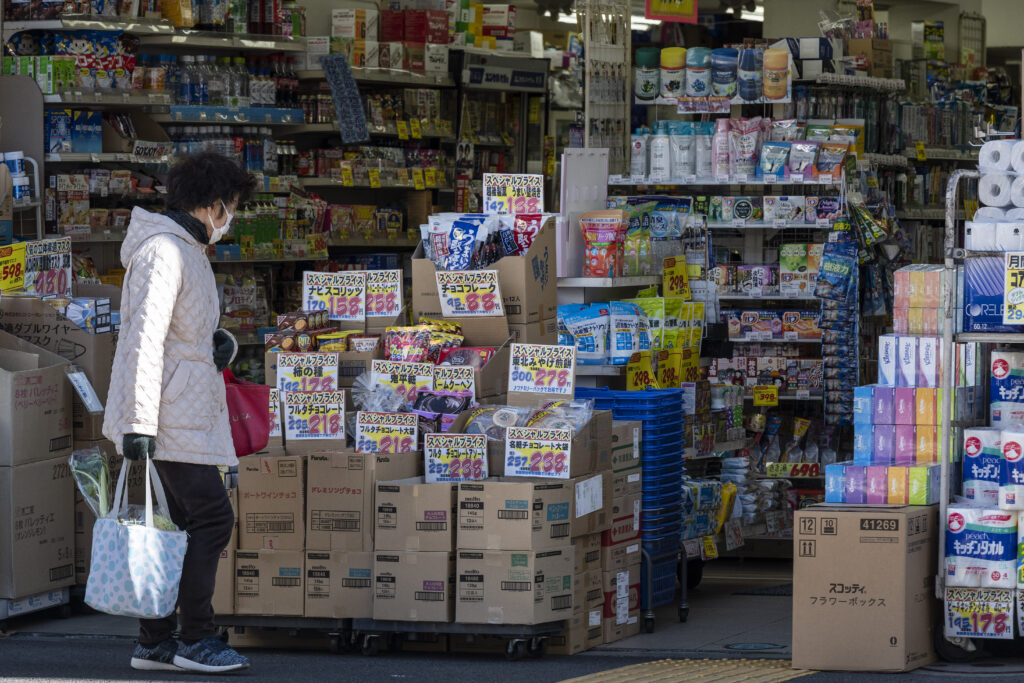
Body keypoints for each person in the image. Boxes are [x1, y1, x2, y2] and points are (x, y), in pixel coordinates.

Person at [102, 152, 256, 674]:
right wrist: (138, 425)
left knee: (177, 523)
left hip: (180, 406)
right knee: (211, 519)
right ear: (213, 205)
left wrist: (218, 344)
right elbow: (141, 342)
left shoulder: (183, 248)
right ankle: (195, 638)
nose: (229, 218)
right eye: (230, 207)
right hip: (168, 415)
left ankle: (156, 640)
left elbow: (175, 335)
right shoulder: (165, 252)